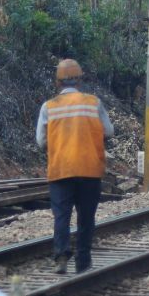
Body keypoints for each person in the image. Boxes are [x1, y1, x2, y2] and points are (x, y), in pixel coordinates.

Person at [36, 59, 114, 274]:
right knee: (86, 217)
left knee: (62, 215)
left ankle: (61, 255)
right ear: (79, 79)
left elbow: (41, 142)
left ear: (57, 82)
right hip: (89, 169)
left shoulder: (48, 106)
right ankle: (83, 261)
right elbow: (108, 131)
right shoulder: (93, 103)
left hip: (61, 169)